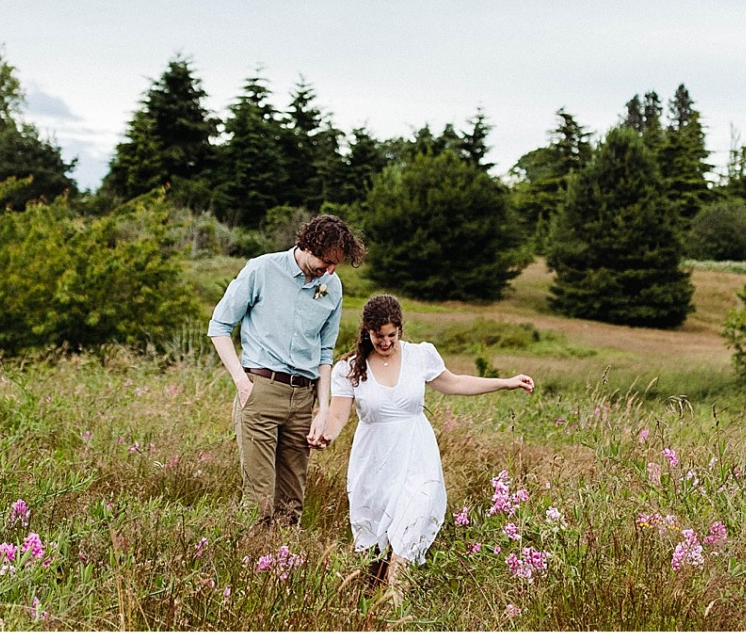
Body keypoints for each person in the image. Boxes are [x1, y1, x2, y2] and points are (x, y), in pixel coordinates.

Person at [317, 293, 535, 603]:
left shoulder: (420, 356)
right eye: (379, 335)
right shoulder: (350, 368)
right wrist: (326, 435)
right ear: (367, 331)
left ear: (400, 330)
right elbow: (338, 414)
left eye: (392, 335)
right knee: (371, 551)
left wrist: (505, 382)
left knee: (410, 529)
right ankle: (370, 605)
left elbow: (456, 383)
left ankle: (396, 609)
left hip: (416, 456)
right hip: (374, 462)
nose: (386, 342)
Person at [207, 213, 366, 527]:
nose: (331, 270)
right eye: (326, 261)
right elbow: (219, 326)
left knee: (291, 504)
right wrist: (242, 382)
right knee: (259, 500)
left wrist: (323, 409)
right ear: (307, 246)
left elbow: (325, 352)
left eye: (338, 264)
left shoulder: (332, 287)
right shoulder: (262, 269)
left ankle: (283, 569)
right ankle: (250, 567)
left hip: (303, 398)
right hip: (261, 391)